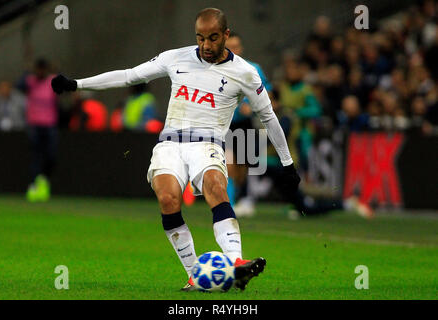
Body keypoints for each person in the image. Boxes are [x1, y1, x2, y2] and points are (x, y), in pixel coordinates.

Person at [51, 8, 300, 291]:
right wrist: (76, 84)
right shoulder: (175, 57)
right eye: (200, 38)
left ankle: (236, 262)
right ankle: (195, 274)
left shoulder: (245, 73)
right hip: (170, 144)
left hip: (208, 145)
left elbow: (268, 117)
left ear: (226, 35)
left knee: (216, 188)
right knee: (168, 200)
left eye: (213, 38)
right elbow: (129, 75)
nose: (206, 45)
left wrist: (288, 163)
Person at [224, 31, 273, 216]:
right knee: (228, 165)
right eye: (230, 47)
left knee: (242, 167)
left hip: (244, 125)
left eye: (236, 47)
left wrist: (251, 105)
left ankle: (242, 199)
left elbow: (266, 91)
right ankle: (229, 204)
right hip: (225, 125)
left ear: (241, 48)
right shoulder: (216, 70)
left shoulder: (252, 69)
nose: (234, 51)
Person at [17, 58, 59, 202]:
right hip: (34, 124)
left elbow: (64, 82)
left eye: (43, 69)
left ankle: (43, 180)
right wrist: (27, 71)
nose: (40, 72)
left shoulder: (52, 80)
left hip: (49, 124)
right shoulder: (30, 80)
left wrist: (55, 69)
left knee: (51, 156)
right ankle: (34, 185)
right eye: (38, 69)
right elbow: (19, 85)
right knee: (36, 156)